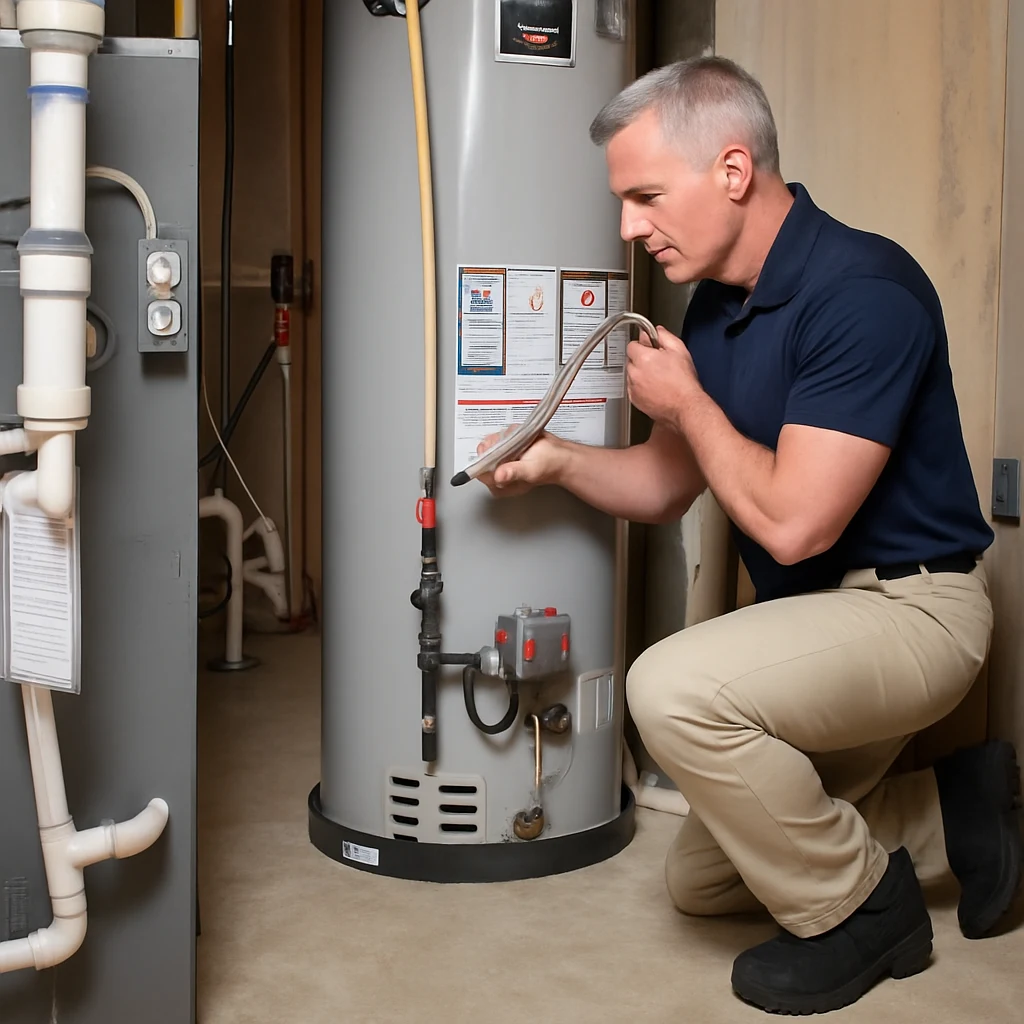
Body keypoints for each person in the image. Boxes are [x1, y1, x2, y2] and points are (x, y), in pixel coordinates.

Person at [474, 56, 1023, 1015]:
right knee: (705, 882)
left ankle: (867, 915)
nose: (628, 228)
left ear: (733, 170)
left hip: (917, 611)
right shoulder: (717, 311)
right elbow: (662, 483)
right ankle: (960, 810)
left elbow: (793, 522)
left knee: (667, 686)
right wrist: (554, 460)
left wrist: (687, 400)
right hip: (822, 627)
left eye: (645, 195)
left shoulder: (864, 291)